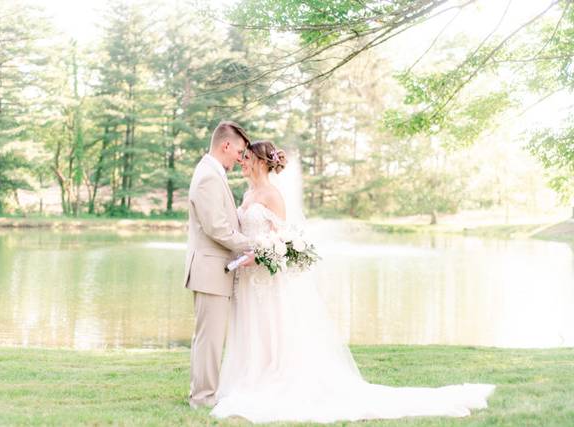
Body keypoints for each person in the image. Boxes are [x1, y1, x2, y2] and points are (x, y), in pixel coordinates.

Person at [211, 140, 496, 423]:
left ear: (261, 162)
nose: (242, 162)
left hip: (266, 281)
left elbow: (281, 240)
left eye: (246, 157)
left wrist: (260, 256)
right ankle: (251, 378)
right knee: (252, 329)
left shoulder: (272, 196)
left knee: (271, 330)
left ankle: (271, 380)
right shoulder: (248, 194)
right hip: (248, 281)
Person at [184, 120, 255, 409]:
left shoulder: (213, 173)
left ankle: (204, 395)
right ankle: (202, 399)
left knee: (209, 339)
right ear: (225, 145)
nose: (240, 158)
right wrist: (254, 246)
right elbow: (216, 228)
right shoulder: (208, 177)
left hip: (215, 271)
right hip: (210, 271)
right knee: (209, 340)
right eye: (239, 151)